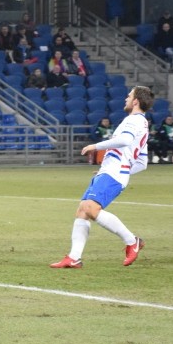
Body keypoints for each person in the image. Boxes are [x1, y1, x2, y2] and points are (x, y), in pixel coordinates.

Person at [50, 86, 154, 268]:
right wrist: (117, 170)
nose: (126, 99)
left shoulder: (134, 121)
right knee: (83, 210)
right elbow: (142, 162)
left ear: (136, 101)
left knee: (90, 208)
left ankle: (132, 241)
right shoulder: (143, 124)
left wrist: (96, 146)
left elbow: (124, 141)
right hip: (111, 171)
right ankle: (74, 257)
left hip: (113, 172)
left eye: (129, 96)